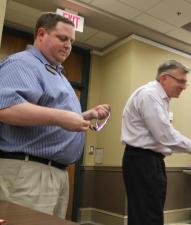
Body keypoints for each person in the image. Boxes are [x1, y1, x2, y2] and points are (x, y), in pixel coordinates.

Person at [0, 12, 111, 218]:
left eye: (71, 40)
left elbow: (54, 114)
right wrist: (61, 117)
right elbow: (6, 109)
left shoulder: (56, 72)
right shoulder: (23, 64)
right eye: (62, 38)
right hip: (28, 172)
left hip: (56, 173)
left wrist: (86, 115)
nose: (68, 45)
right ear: (41, 34)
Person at [121, 60, 191, 225]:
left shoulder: (158, 97)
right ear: (164, 78)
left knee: (146, 212)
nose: (184, 86)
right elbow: (165, 135)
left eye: (185, 82)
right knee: (148, 215)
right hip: (143, 161)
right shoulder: (150, 95)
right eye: (181, 81)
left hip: (146, 161)